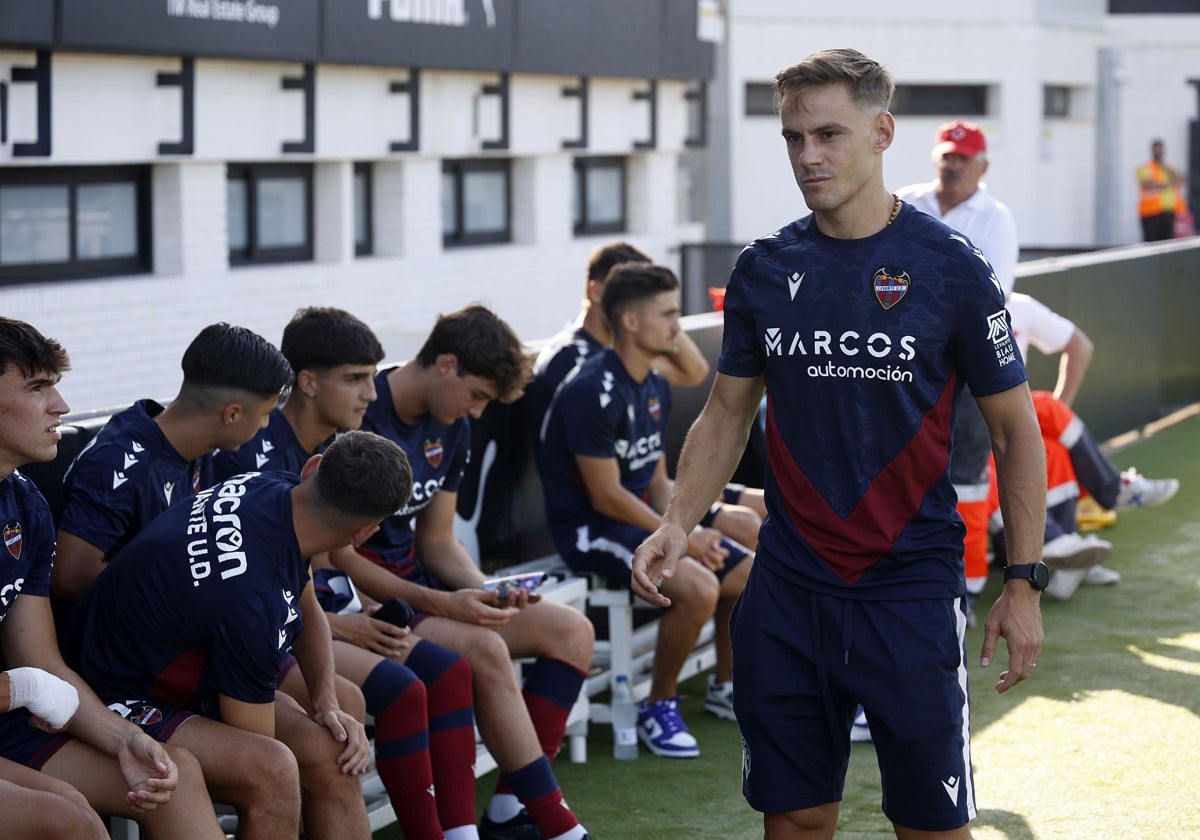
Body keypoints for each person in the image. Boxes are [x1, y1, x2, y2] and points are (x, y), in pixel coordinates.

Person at [632, 48, 1049, 839]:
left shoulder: (955, 270)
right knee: (795, 823)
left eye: (828, 134)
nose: (808, 156)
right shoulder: (764, 268)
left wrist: (1023, 580)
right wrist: (676, 522)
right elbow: (725, 414)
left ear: (882, 132)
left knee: (931, 827)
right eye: (794, 138)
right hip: (788, 591)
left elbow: (1014, 428)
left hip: (909, 593)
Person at [328, 304, 595, 840]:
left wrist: (484, 589)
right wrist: (448, 604)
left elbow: (438, 541)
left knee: (571, 630)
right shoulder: (359, 412)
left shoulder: (452, 428)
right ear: (446, 364)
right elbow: (338, 553)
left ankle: (508, 811)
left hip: (423, 593)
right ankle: (554, 824)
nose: (476, 412)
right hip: (374, 606)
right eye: (477, 396)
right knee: (485, 652)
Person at [212, 306, 479, 840]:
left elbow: (324, 561)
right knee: (394, 694)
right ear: (307, 382)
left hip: (317, 614)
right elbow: (242, 587)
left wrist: (358, 607)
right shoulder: (256, 456)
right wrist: (339, 624)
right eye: (356, 379)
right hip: (257, 634)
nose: (371, 394)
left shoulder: (328, 447)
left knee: (444, 674)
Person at [68, 430, 408, 840]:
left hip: (170, 658)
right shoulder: (253, 604)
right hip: (108, 691)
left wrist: (325, 703)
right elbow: (257, 742)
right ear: (365, 533)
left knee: (332, 747)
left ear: (312, 467)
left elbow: (306, 602)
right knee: (274, 771)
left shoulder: (275, 487)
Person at [0, 317, 224, 839]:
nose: (60, 405)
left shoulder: (24, 503)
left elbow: (41, 660)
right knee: (69, 820)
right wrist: (29, 688)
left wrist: (123, 739)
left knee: (169, 770)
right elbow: (35, 680)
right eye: (37, 387)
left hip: (9, 715)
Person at [539, 262, 754, 757]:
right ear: (631, 322)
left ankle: (726, 686)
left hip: (636, 522)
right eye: (668, 314)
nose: (678, 326)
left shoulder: (653, 383)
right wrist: (682, 536)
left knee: (748, 571)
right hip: (591, 531)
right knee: (699, 586)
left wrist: (689, 526)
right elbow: (607, 496)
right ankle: (659, 703)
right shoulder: (590, 388)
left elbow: (655, 483)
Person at [529, 240, 766, 556]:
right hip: (602, 511)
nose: (634, 289)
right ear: (597, 291)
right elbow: (605, 490)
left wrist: (660, 312)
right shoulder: (573, 362)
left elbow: (695, 372)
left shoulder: (637, 358)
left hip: (650, 489)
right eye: (628, 285)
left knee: (761, 512)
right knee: (714, 567)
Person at [51, 322, 294, 611]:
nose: (266, 424)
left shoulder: (197, 445)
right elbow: (70, 576)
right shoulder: (120, 461)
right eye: (266, 413)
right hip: (105, 643)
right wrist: (191, 597)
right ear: (232, 414)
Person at [1136, 138, 1187, 242]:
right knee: (1151, 242)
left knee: (1166, 243)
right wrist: (1169, 183)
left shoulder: (1168, 168)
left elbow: (1183, 178)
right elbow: (1148, 183)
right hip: (1150, 213)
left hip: (1168, 212)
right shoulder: (1146, 168)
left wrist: (1171, 172)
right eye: (1157, 150)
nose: (1159, 152)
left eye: (1161, 150)